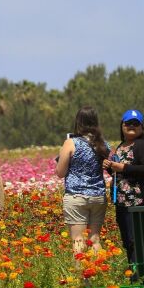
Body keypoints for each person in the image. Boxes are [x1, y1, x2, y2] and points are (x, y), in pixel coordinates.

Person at [103, 109, 144, 277]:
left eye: (136, 124)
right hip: (122, 201)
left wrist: (122, 167)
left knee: (139, 240)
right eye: (128, 123)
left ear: (142, 127)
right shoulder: (121, 146)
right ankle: (135, 274)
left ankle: (143, 275)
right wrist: (110, 169)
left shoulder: (143, 145)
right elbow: (120, 173)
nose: (132, 126)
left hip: (138, 202)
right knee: (128, 240)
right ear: (122, 126)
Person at [56, 106, 111, 257]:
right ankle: (98, 274)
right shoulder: (104, 145)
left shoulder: (71, 143)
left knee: (78, 240)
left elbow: (60, 173)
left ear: (78, 122)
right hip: (98, 196)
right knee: (94, 239)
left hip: (76, 196)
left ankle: (83, 279)